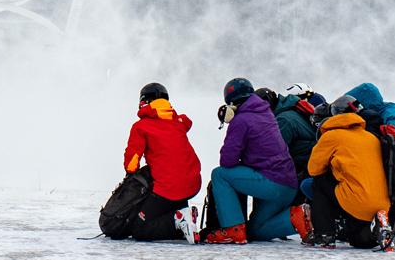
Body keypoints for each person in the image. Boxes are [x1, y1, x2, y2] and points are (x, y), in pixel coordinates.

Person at [205, 77, 300, 245]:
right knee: (255, 231)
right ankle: (298, 218)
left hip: (271, 185)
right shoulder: (266, 113)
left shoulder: (240, 120)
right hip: (289, 185)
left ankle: (233, 230)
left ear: (231, 104)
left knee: (219, 175)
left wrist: (231, 124)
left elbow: (227, 161)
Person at [102, 82, 201, 242]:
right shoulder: (178, 122)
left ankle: (178, 220)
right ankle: (184, 220)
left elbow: (131, 164)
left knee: (140, 229)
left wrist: (132, 173)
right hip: (192, 184)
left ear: (143, 101)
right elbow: (186, 122)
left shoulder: (141, 127)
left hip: (168, 188)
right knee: (168, 204)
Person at [303, 96, 391, 248]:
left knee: (318, 182)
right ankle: (378, 225)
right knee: (359, 240)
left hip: (355, 199)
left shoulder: (330, 136)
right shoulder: (371, 137)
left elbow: (314, 169)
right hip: (381, 203)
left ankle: (324, 235)